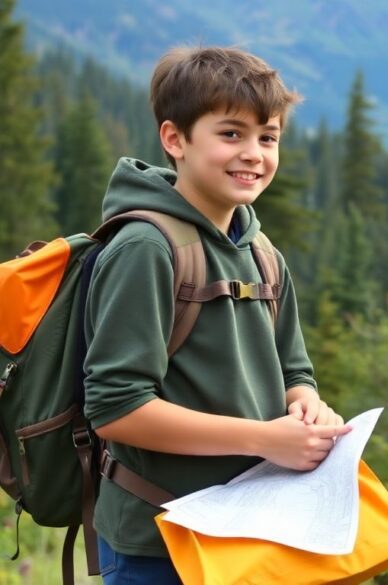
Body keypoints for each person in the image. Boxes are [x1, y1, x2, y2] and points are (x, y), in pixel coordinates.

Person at [83, 47, 350, 584]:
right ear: (174, 139)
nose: (253, 153)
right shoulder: (147, 248)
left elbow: (294, 371)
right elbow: (115, 408)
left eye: (268, 137)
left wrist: (307, 407)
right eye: (231, 134)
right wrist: (263, 438)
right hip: (158, 544)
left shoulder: (261, 252)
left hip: (251, 530)